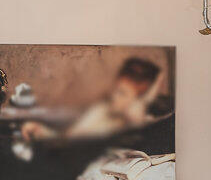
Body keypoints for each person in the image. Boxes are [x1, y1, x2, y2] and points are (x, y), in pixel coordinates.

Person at [20, 56, 164, 141]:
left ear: (139, 101)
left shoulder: (139, 122)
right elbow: (71, 140)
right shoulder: (102, 112)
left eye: (122, 93)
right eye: (116, 90)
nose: (114, 96)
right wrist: (41, 131)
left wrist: (139, 104)